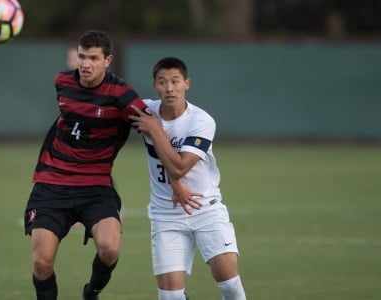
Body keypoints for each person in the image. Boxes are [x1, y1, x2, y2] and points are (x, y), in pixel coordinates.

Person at [23, 30, 149, 300]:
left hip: (96, 187)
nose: (85, 64)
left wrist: (176, 173)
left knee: (110, 248)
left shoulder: (123, 96)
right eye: (82, 57)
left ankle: (91, 293)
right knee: (41, 262)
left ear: (108, 60)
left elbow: (152, 125)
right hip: (52, 185)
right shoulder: (62, 83)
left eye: (93, 58)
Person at [129, 57, 247, 300]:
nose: (169, 88)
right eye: (162, 82)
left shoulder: (201, 121)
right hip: (166, 215)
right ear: (154, 86)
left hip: (205, 209)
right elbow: (114, 97)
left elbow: (180, 167)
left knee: (230, 287)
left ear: (187, 84)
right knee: (169, 297)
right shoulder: (145, 111)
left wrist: (155, 130)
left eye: (175, 81)